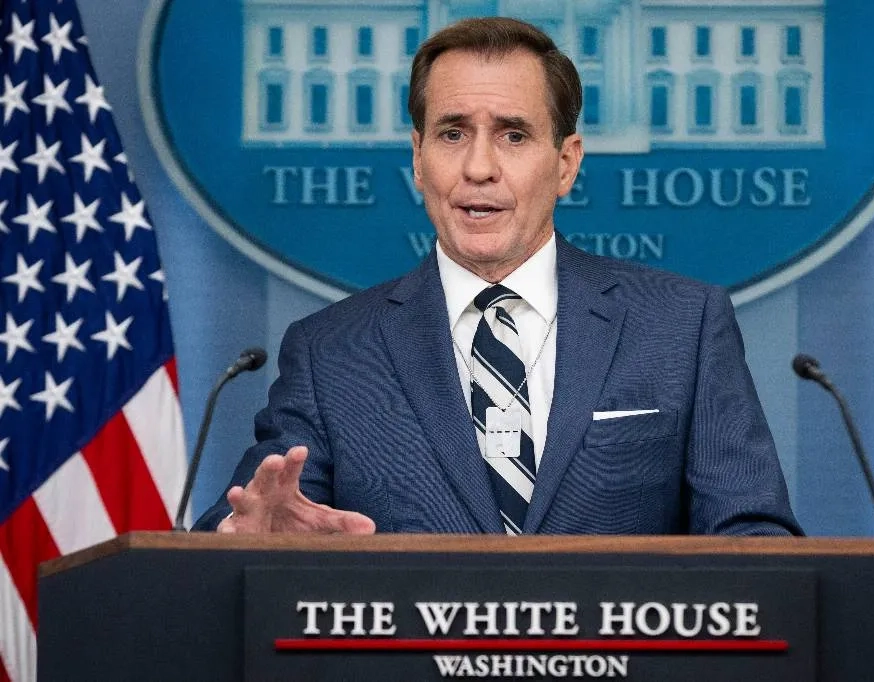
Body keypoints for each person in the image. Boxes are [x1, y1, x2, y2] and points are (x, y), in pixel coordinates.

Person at [193, 17, 801, 536]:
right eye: (452, 133)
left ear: (565, 164)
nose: (479, 167)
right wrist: (248, 539)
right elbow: (253, 516)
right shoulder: (329, 352)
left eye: (513, 135)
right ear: (418, 158)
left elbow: (754, 538)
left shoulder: (682, 326)